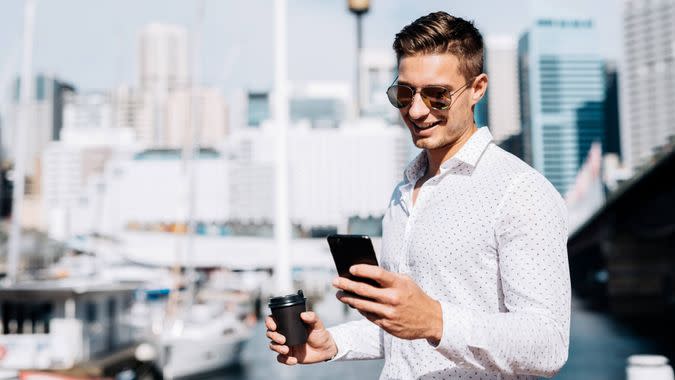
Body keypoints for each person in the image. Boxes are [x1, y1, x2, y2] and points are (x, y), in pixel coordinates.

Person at [266, 11, 570, 380]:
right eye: (405, 93)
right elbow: (407, 332)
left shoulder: (520, 191)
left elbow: (548, 343)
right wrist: (333, 343)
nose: (416, 110)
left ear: (477, 88)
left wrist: (436, 319)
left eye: (437, 95)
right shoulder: (404, 191)